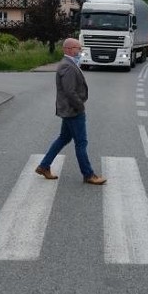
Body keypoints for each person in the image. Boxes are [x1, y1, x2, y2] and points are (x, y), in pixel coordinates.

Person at [35, 38, 107, 185]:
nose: (80, 51)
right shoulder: (67, 66)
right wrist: (80, 106)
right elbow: (69, 91)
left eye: (80, 48)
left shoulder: (69, 64)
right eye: (77, 48)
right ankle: (88, 175)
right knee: (81, 142)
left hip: (69, 110)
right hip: (73, 110)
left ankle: (44, 166)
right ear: (68, 49)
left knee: (63, 138)